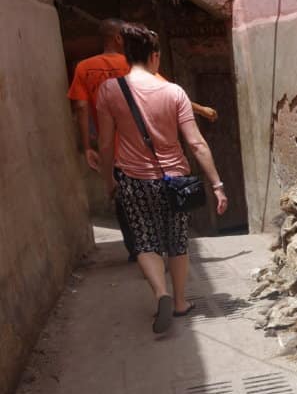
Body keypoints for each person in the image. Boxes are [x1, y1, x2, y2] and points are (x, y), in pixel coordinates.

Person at [95, 23, 229, 334]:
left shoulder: (110, 90)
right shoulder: (174, 92)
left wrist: (108, 180)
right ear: (155, 57)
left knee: (145, 241)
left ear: (127, 56)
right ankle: (181, 302)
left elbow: (104, 143)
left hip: (133, 179)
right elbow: (196, 142)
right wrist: (217, 184)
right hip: (175, 180)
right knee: (177, 242)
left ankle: (160, 293)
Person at [68, 19, 220, 260]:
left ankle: (138, 250)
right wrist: (201, 109)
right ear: (119, 39)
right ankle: (168, 249)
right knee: (165, 203)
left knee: (127, 205)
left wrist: (88, 146)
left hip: (119, 155)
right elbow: (169, 91)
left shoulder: (84, 68)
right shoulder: (134, 65)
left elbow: (81, 108)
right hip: (153, 152)